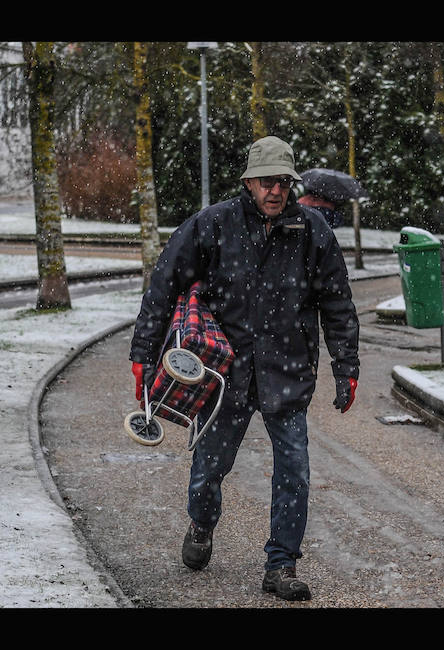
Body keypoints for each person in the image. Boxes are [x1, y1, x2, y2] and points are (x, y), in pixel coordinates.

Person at [129, 135, 360, 601]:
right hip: (223, 373)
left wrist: (346, 365)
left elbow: (337, 303)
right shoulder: (213, 224)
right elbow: (163, 285)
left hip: (287, 372)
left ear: (292, 184)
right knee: (209, 468)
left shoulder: (312, 230)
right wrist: (144, 353)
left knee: (294, 471)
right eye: (265, 181)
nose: (274, 190)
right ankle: (201, 523)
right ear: (248, 182)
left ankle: (282, 564)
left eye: (282, 182)